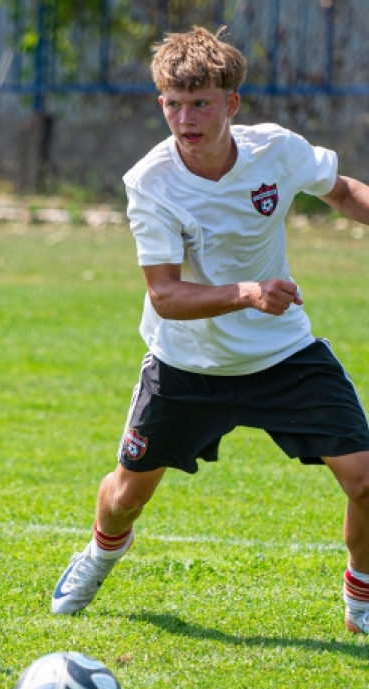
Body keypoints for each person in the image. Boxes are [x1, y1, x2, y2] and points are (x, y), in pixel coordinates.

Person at [51, 26, 369, 635]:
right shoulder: (151, 182)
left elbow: (342, 189)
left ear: (231, 104)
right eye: (172, 102)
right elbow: (165, 296)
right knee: (125, 498)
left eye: (200, 103)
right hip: (185, 364)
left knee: (365, 481)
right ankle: (99, 554)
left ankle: (361, 597)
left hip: (284, 355)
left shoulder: (275, 150)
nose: (184, 117)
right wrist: (249, 293)